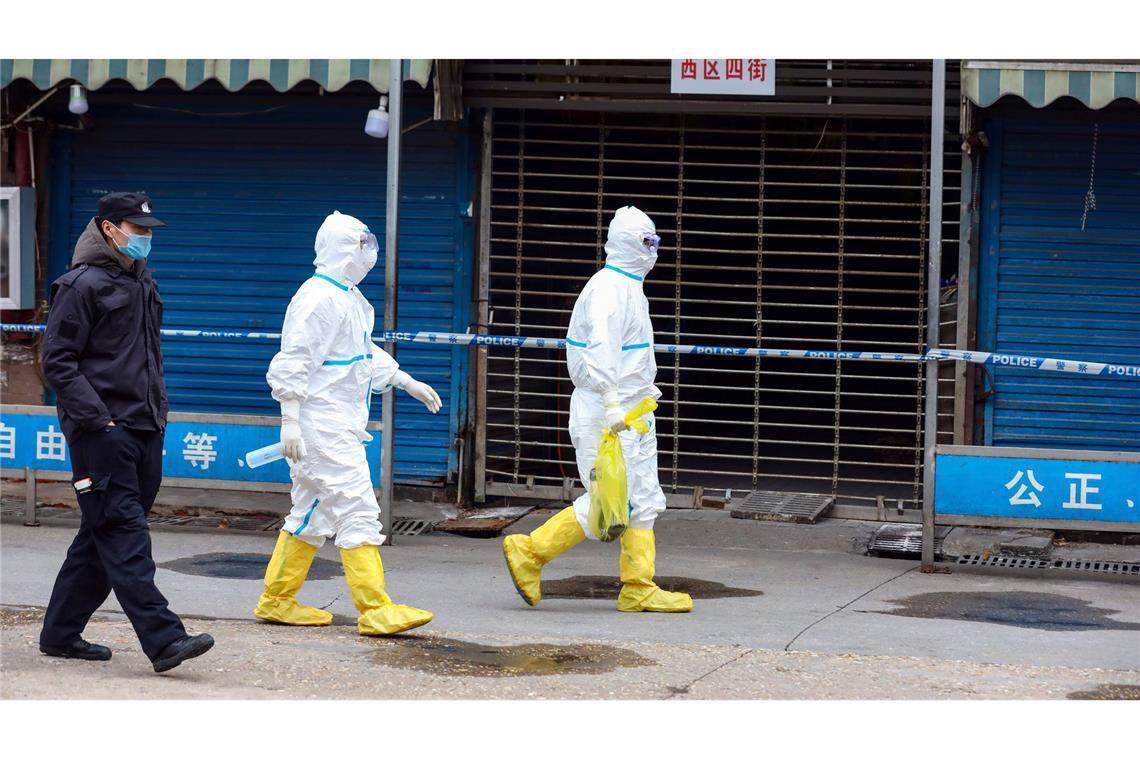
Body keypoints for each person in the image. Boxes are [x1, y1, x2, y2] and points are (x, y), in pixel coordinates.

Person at [39, 192, 214, 673]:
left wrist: (156, 416)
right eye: (138, 230)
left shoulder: (142, 282)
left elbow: (146, 358)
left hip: (144, 426)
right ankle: (164, 639)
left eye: (149, 230)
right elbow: (58, 362)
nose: (146, 237)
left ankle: (59, 634)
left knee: (101, 533)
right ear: (109, 228)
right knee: (123, 532)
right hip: (102, 432)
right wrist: (100, 421)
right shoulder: (80, 286)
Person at [255, 210, 442, 636]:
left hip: (334, 424)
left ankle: (277, 600)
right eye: (362, 245)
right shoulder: (318, 298)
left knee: (311, 513)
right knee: (357, 508)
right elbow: (295, 360)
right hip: (322, 427)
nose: (369, 253)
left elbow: (361, 352)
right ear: (342, 249)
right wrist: (289, 420)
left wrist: (402, 378)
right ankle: (375, 608)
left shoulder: (348, 296)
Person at [503, 205, 693, 613]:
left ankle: (638, 586)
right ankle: (530, 552)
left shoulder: (628, 287)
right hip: (610, 413)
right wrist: (610, 403)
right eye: (648, 242)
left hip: (632, 411)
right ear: (630, 244)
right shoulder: (609, 289)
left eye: (654, 241)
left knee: (642, 500)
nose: (653, 250)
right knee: (611, 502)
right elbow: (600, 351)